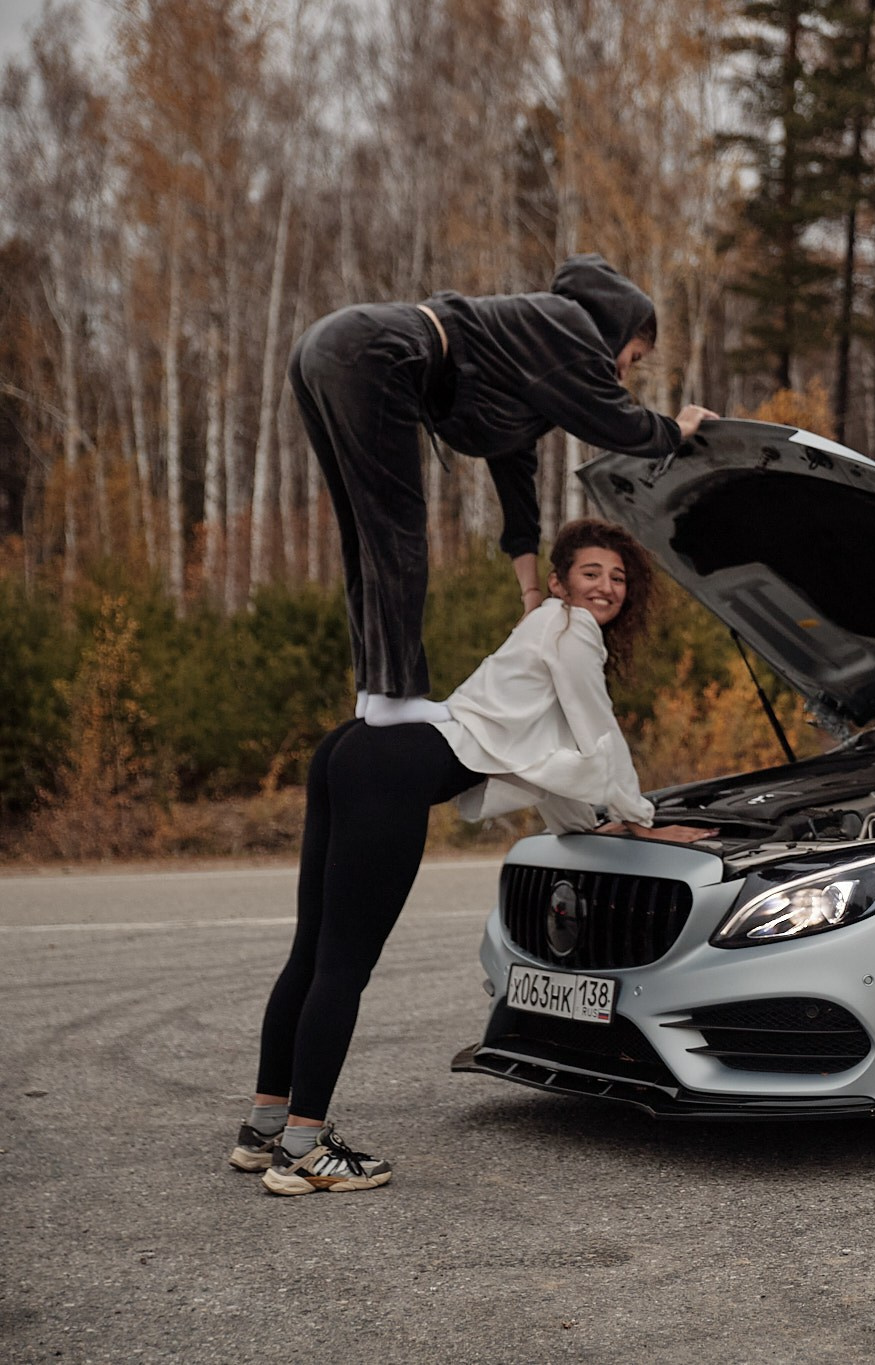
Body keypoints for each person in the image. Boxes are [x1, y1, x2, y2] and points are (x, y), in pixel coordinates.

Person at [234, 519, 700, 1196]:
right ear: (561, 581)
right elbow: (599, 739)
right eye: (592, 572)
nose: (606, 586)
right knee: (343, 964)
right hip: (395, 767)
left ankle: (263, 1128)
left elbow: (551, 768)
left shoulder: (542, 628)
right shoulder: (572, 631)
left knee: (313, 951)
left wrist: (606, 818)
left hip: (354, 746)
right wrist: (640, 819)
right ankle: (304, 1149)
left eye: (619, 577)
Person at [288, 253, 717, 728]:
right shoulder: (569, 326)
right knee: (396, 530)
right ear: (617, 327)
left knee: (365, 535)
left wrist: (531, 591)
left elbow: (517, 487)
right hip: (379, 351)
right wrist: (677, 431)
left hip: (327, 345)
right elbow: (616, 420)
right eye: (632, 358)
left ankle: (373, 693)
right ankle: (396, 697)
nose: (623, 374)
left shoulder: (529, 353)